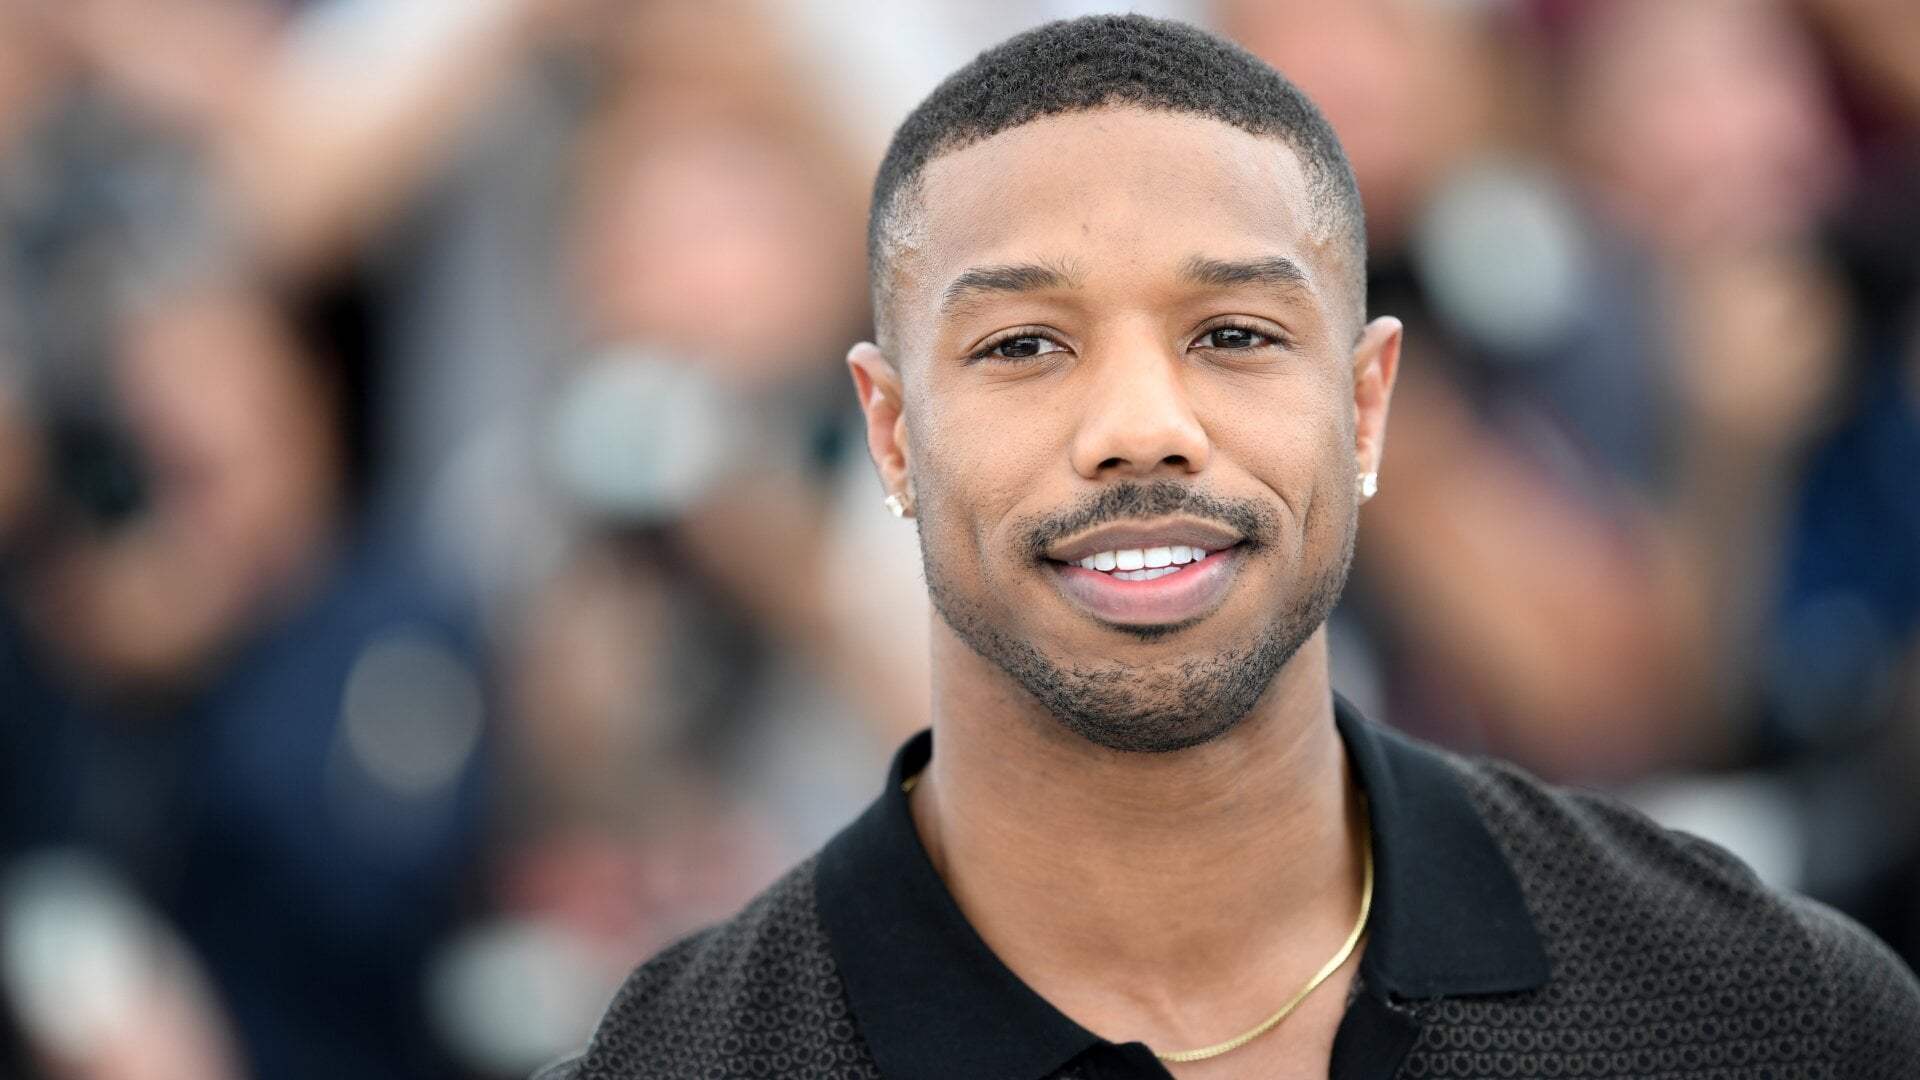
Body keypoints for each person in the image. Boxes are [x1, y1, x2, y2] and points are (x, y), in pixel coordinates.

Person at [536, 15, 1920, 1078]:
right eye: (1026, 345)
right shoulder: (691, 1059)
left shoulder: (1760, 1009)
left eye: (1236, 336)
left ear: (1367, 405)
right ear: (892, 435)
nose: (1143, 429)